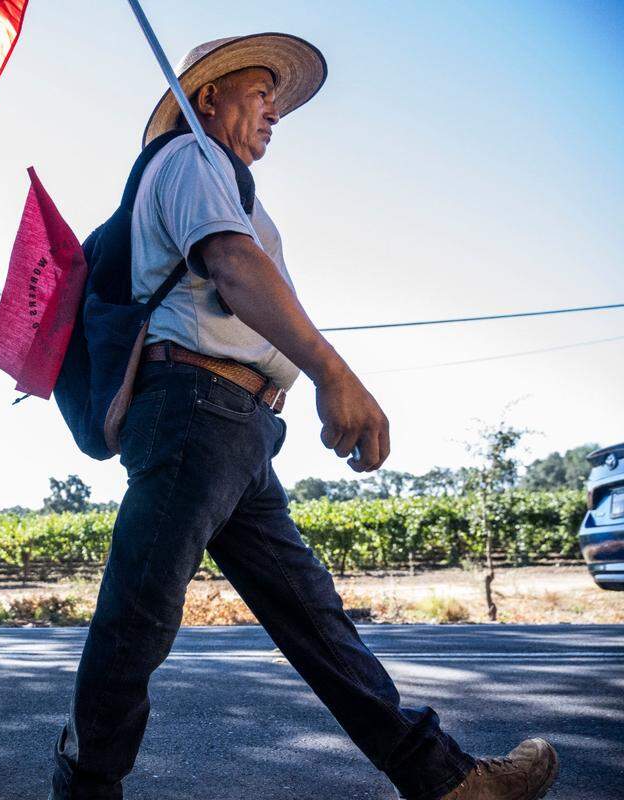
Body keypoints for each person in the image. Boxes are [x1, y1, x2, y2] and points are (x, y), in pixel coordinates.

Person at [49, 34, 558, 800]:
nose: (274, 111)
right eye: (260, 92)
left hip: (238, 429)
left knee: (317, 622)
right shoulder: (192, 159)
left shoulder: (220, 176)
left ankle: (449, 784)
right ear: (207, 97)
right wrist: (334, 372)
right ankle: (84, 791)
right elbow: (231, 262)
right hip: (194, 414)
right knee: (137, 622)